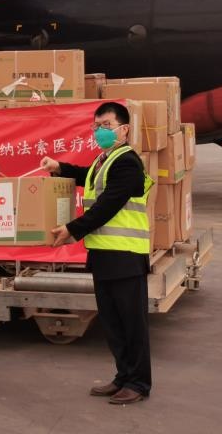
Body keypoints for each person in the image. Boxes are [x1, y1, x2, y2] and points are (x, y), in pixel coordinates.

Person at [40, 101, 153, 405]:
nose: (100, 131)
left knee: (131, 323)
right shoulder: (105, 159)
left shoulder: (127, 161)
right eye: (96, 126)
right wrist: (59, 167)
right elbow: (84, 175)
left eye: (107, 125)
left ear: (124, 129)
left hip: (126, 254)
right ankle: (123, 376)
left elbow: (109, 204)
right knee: (113, 323)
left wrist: (73, 229)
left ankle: (139, 383)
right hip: (104, 254)